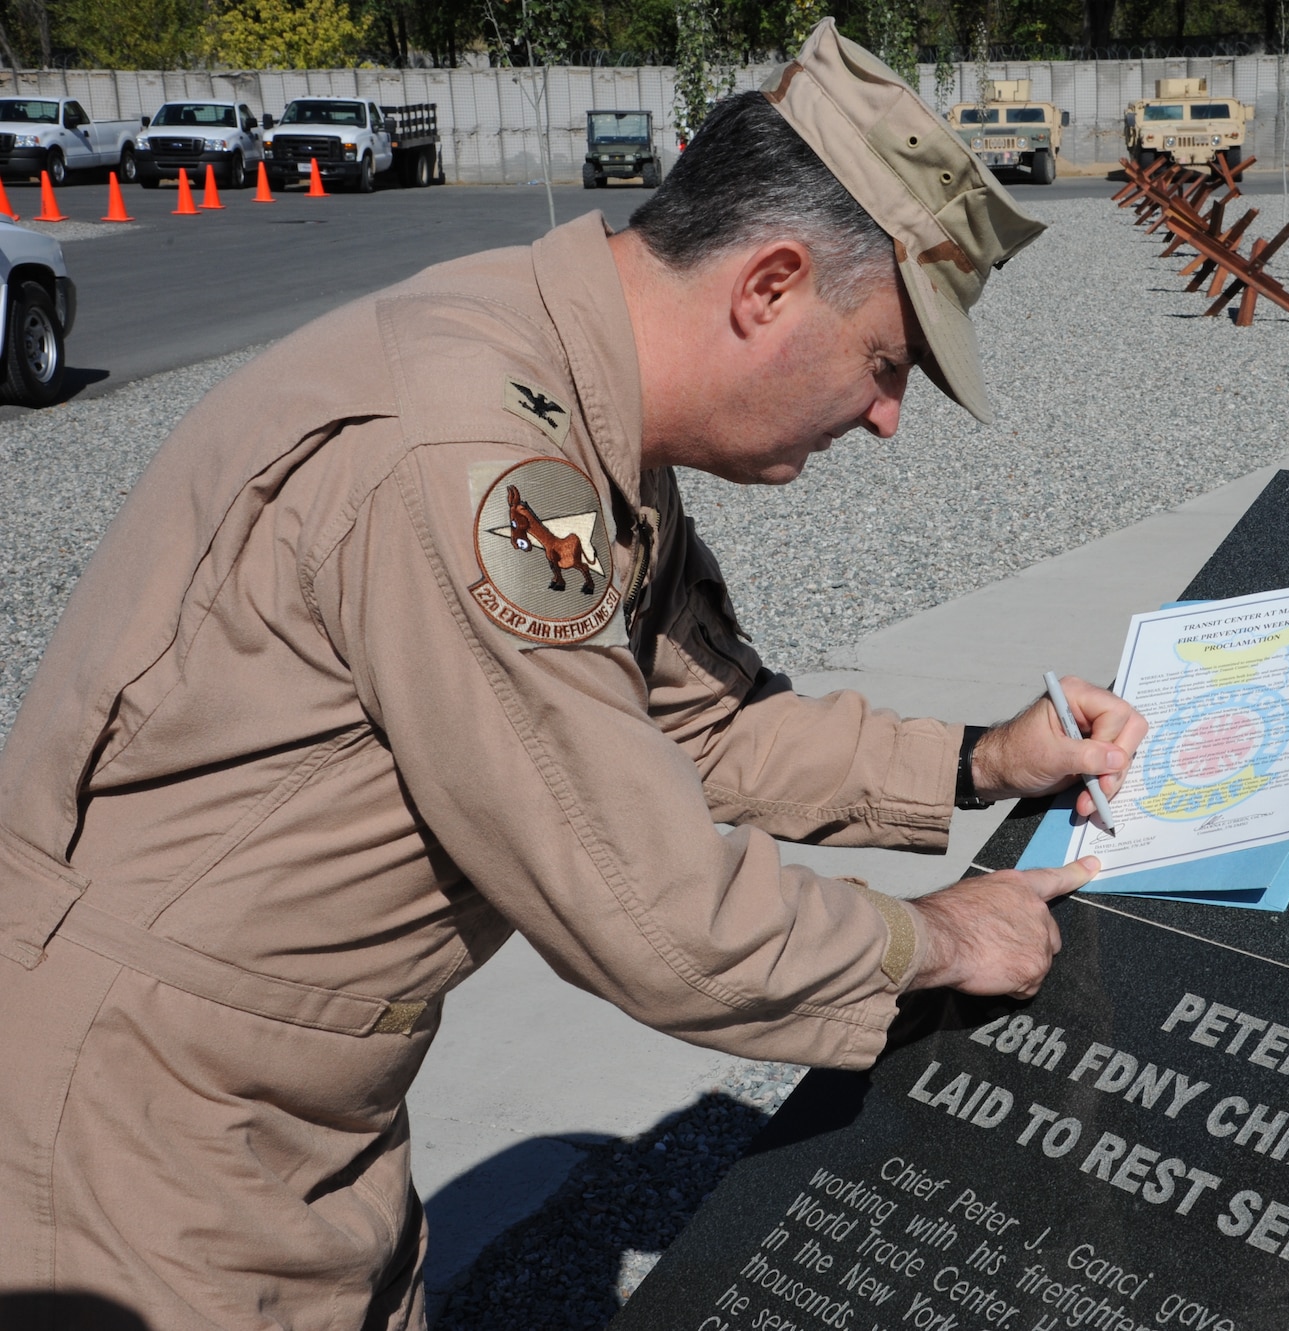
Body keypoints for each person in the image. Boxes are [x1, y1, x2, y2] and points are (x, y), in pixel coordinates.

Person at [0, 23, 1141, 1330]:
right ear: (769, 287)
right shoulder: (479, 456)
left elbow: (704, 730)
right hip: (147, 1134)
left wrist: (981, 760)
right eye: (887, 364)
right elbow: (656, 916)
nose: (886, 417)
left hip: (300, 1117)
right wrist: (935, 936)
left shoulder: (584, 413)